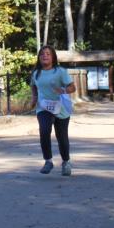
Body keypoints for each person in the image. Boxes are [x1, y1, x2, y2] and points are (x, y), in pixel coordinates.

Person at [29, 45, 76, 176]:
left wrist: (64, 90)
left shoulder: (60, 71)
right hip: (43, 108)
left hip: (61, 108)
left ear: (53, 57)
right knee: (44, 131)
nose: (45, 56)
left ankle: (66, 162)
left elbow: (73, 87)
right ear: (39, 57)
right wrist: (34, 98)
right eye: (42, 54)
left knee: (62, 137)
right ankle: (48, 161)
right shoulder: (36, 73)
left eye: (48, 54)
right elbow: (33, 86)